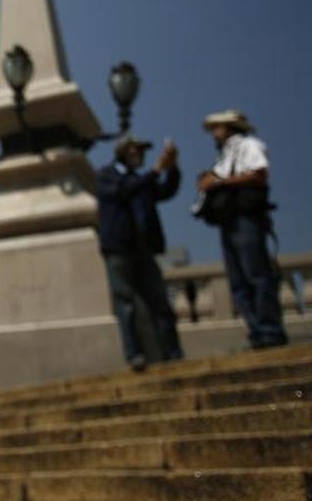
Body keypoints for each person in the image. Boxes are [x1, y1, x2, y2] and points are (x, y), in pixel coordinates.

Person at [198, 109, 286, 349]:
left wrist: (219, 182)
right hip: (229, 220)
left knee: (256, 274)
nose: (214, 133)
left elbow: (259, 175)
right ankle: (257, 331)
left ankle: (269, 330)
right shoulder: (224, 156)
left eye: (217, 128)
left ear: (228, 127)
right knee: (238, 280)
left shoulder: (249, 145)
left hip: (247, 218)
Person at [97, 135, 184, 370]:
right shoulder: (108, 175)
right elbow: (123, 191)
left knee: (159, 300)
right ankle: (135, 355)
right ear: (124, 151)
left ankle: (172, 352)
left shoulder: (141, 180)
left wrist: (172, 167)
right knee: (125, 304)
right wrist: (156, 170)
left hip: (142, 247)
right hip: (118, 247)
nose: (141, 155)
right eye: (137, 150)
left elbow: (165, 191)